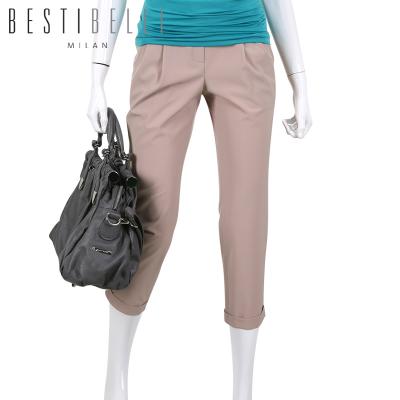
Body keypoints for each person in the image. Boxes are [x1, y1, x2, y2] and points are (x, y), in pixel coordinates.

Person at [87, 1, 312, 399]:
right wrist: (96, 74)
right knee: (151, 215)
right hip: (164, 49)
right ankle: (114, 377)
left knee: (245, 221)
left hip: (245, 54)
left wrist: (300, 78)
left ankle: (243, 388)